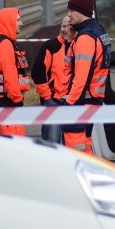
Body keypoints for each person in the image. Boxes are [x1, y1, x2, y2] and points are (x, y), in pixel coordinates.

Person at [62, 0, 112, 154]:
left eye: (71, 10)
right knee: (85, 145)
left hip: (80, 102)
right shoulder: (98, 32)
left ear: (80, 11)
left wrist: (69, 104)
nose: (69, 15)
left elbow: (81, 78)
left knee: (76, 151)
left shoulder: (85, 38)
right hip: (91, 100)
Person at [0, 7, 30, 136]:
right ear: (8, 22)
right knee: (16, 147)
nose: (21, 23)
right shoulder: (5, 44)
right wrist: (18, 100)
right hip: (9, 104)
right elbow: (10, 76)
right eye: (18, 20)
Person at [31, 15, 74, 144]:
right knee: (51, 145)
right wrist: (48, 99)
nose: (65, 30)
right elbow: (37, 72)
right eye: (63, 26)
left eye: (69, 27)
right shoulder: (50, 46)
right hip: (53, 104)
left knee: (73, 146)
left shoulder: (79, 47)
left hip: (72, 104)